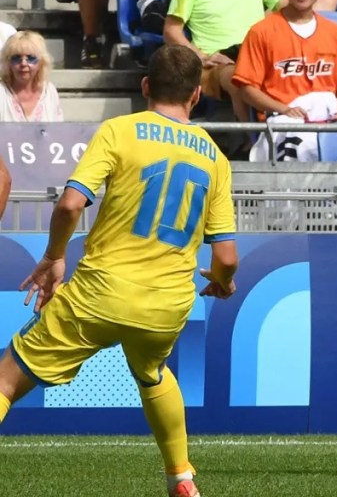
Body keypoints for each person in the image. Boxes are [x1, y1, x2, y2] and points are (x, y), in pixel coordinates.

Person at [0, 44, 239, 497]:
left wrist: (53, 256)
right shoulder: (214, 156)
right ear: (196, 95)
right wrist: (223, 284)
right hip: (165, 307)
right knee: (152, 371)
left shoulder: (119, 130)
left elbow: (71, 204)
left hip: (101, 293)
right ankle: (181, 477)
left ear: (145, 86)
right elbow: (226, 257)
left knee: (6, 379)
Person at [232, 0, 337, 121]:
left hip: (329, 114)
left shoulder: (334, 32)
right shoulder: (260, 32)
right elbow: (247, 89)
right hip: (283, 117)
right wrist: (284, 109)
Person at [164, 0, 288, 121]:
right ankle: (251, 133)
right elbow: (171, 31)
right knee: (238, 78)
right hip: (214, 62)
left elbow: (287, 6)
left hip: (255, 54)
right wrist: (202, 57)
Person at [0, 31, 64, 122]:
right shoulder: (1, 92)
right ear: (8, 63)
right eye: (16, 58)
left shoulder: (49, 91)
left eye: (31, 58)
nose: (23, 64)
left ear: (41, 62)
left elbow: (58, 128)